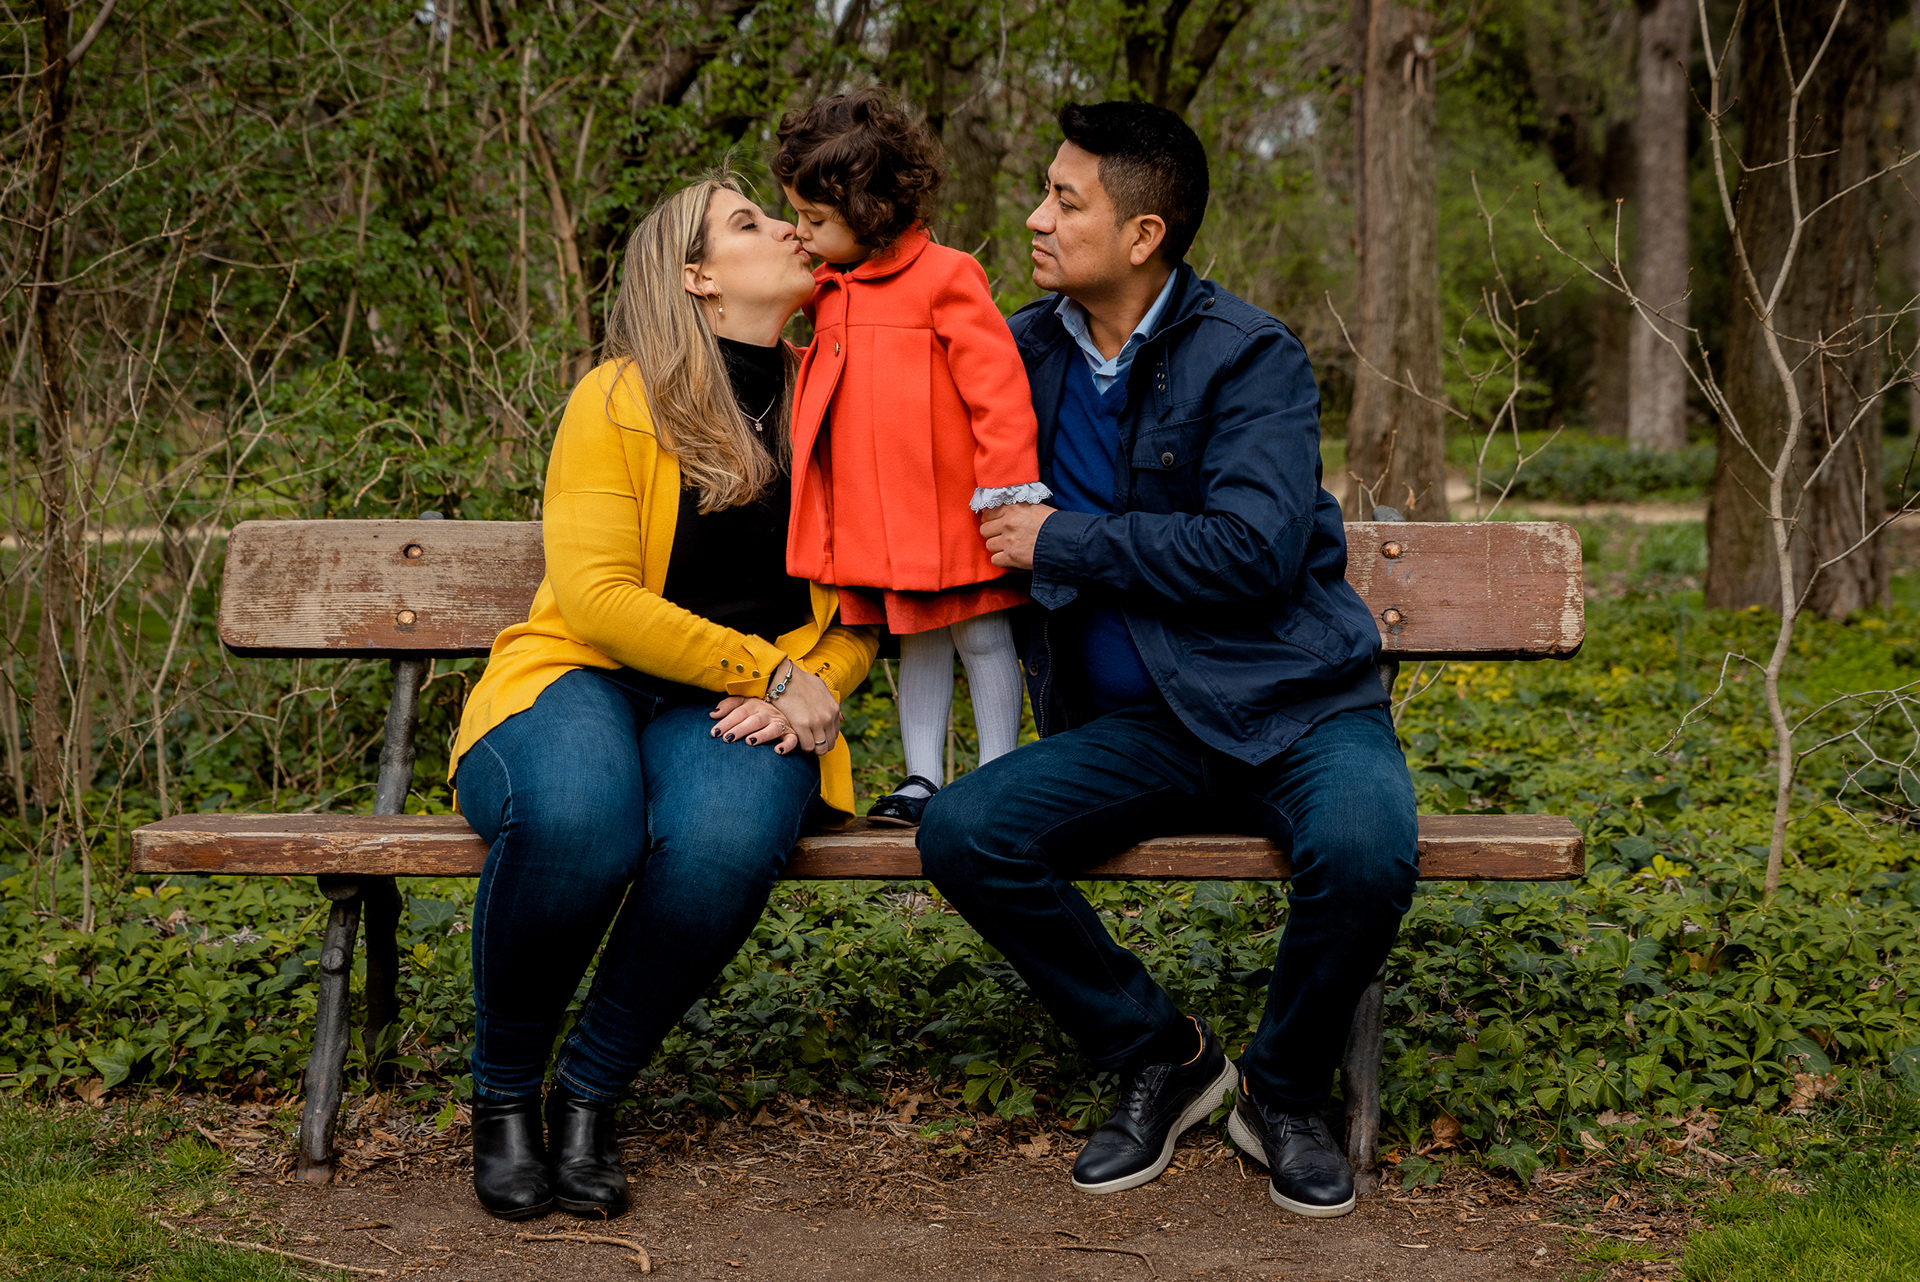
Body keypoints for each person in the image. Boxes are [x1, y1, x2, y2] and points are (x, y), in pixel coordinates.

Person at [915, 102, 1419, 1219]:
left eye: (1066, 200)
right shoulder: (1018, 350)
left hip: (1296, 703)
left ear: (1143, 236)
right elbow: (895, 416)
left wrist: (1067, 538)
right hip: (1140, 729)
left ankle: (1282, 1091)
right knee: (964, 832)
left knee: (1366, 845)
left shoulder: (1251, 357)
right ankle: (1164, 1055)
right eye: (1045, 191)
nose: (1037, 218)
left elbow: (1253, 551)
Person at [449, 173, 878, 1222]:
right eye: (748, 222)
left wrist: (813, 684)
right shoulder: (617, 395)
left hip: (736, 705)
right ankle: (504, 1099)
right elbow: (597, 598)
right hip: (580, 675)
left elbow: (866, 598)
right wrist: (769, 670)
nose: (786, 226)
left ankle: (589, 1092)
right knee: (579, 819)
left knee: (726, 835)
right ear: (697, 277)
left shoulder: (836, 396)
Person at [774, 89, 1047, 826]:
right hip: (879, 512)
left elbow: (998, 390)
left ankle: (997, 772)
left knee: (984, 632)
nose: (803, 232)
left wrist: (1007, 490)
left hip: (957, 504)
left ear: (869, 212)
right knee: (918, 636)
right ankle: (922, 777)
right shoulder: (825, 290)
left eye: (816, 220)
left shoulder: (947, 276)